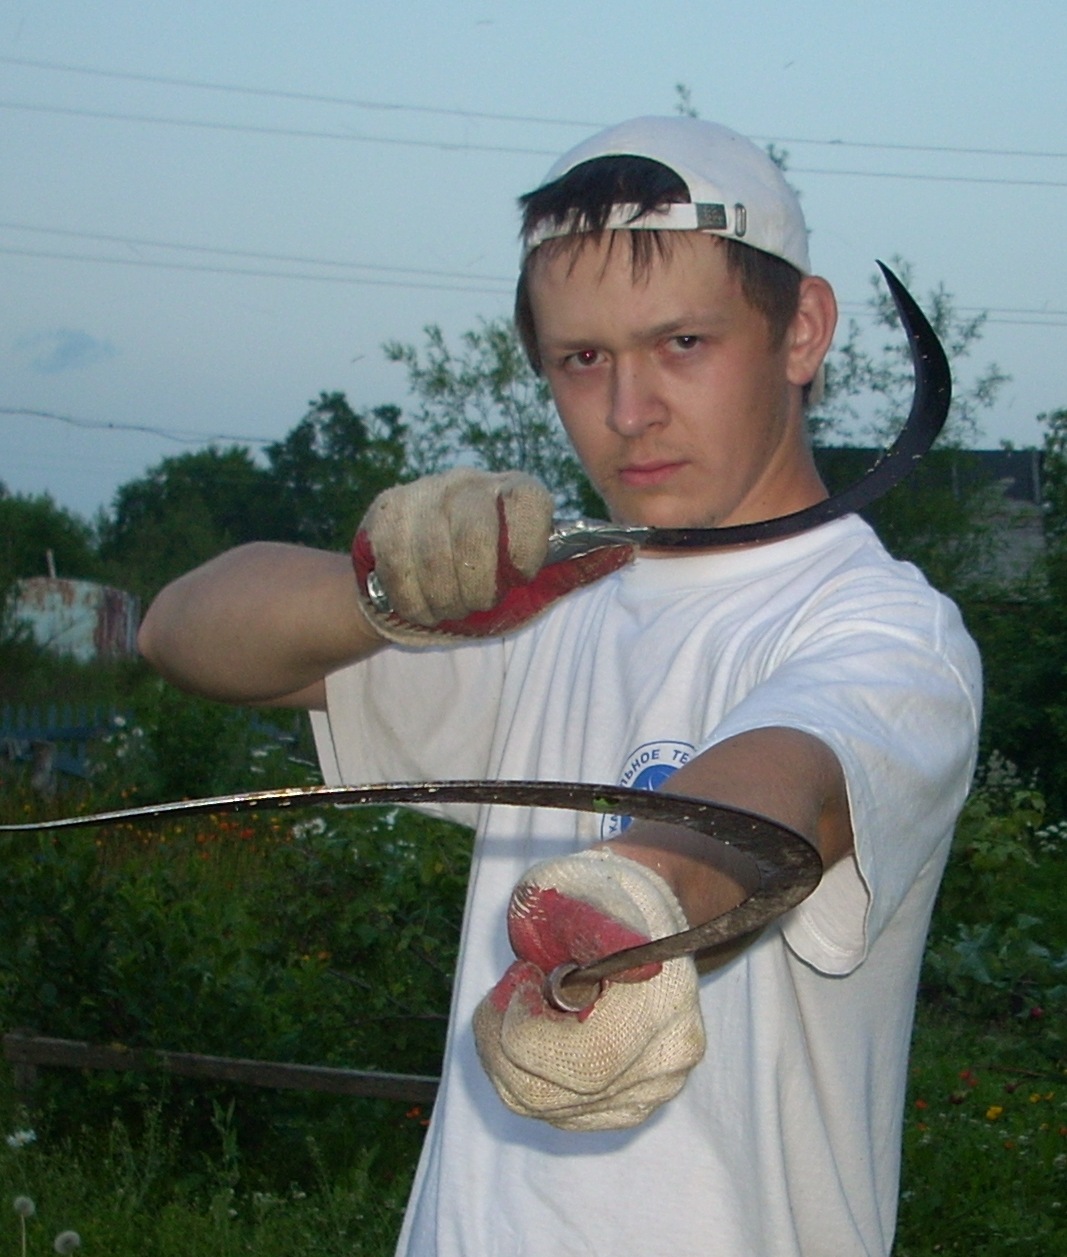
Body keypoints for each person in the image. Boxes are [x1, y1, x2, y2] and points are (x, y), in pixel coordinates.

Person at [139, 116, 982, 1256]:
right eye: (582, 359)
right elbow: (180, 633)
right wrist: (386, 589)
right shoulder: (553, 599)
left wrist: (628, 913)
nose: (628, 410)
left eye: (681, 341)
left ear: (802, 331)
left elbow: (784, 796)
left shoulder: (886, 630)